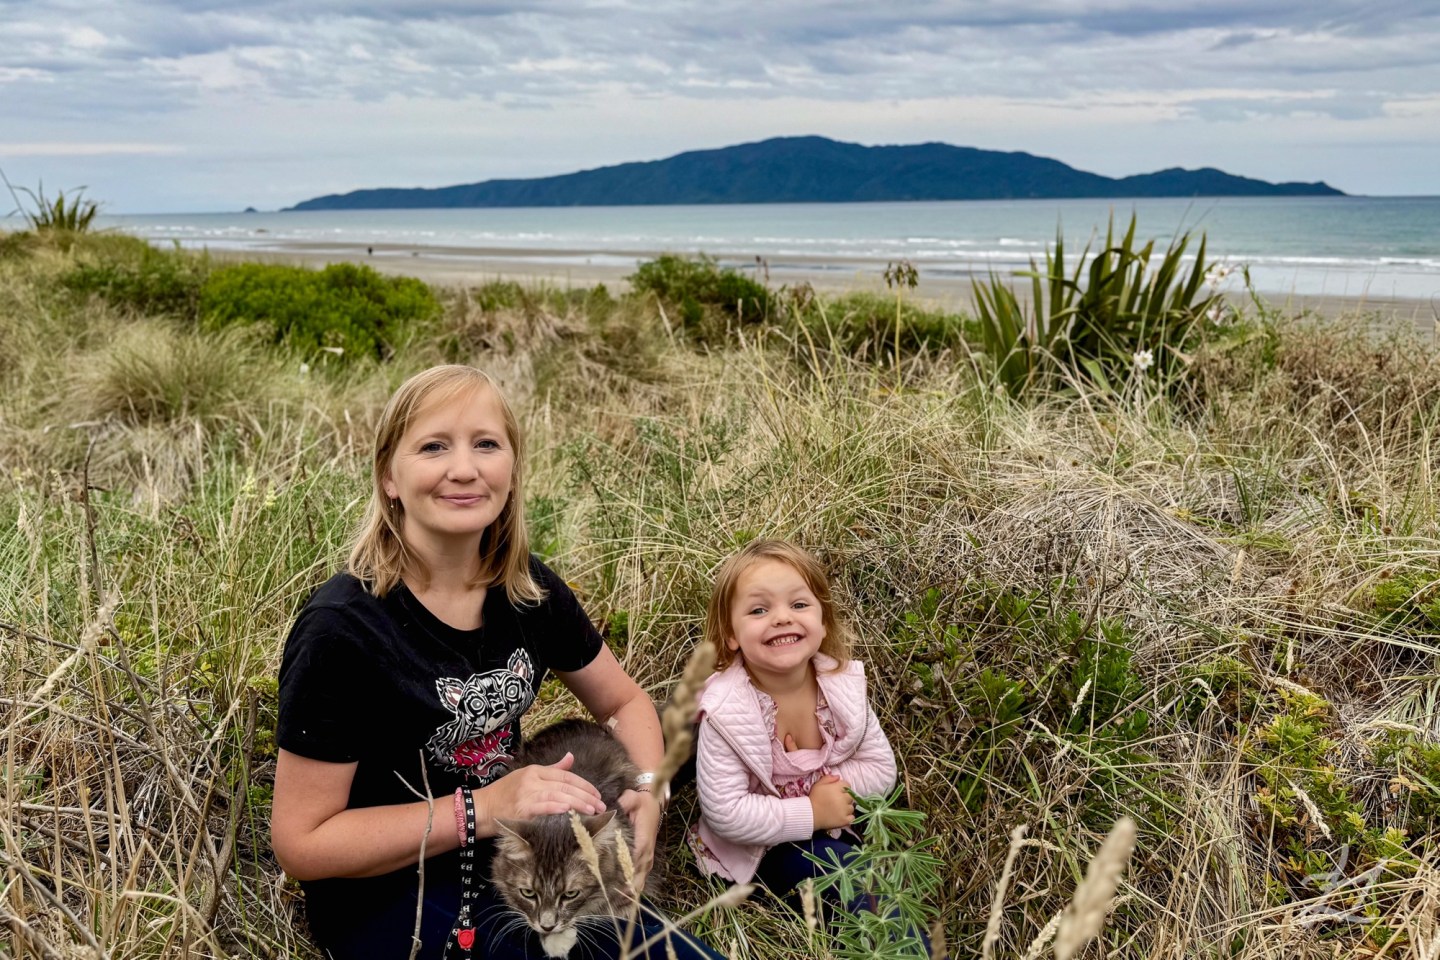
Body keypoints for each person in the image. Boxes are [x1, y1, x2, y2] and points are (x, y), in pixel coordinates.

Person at [271, 365, 719, 960]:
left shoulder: (528, 591)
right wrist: (481, 809)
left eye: (486, 444)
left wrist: (646, 790)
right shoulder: (341, 630)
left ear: (511, 467)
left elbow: (623, 702)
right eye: (434, 446)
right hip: (388, 886)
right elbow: (302, 844)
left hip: (517, 861)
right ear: (389, 477)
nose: (465, 468)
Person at [689, 539, 900, 923]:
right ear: (731, 634)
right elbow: (726, 812)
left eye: (799, 604)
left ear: (823, 621)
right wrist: (811, 809)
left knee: (884, 873)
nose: (782, 617)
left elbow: (882, 770)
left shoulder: (841, 685)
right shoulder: (726, 709)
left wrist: (825, 797)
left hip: (839, 819)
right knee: (851, 878)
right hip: (763, 849)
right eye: (758, 609)